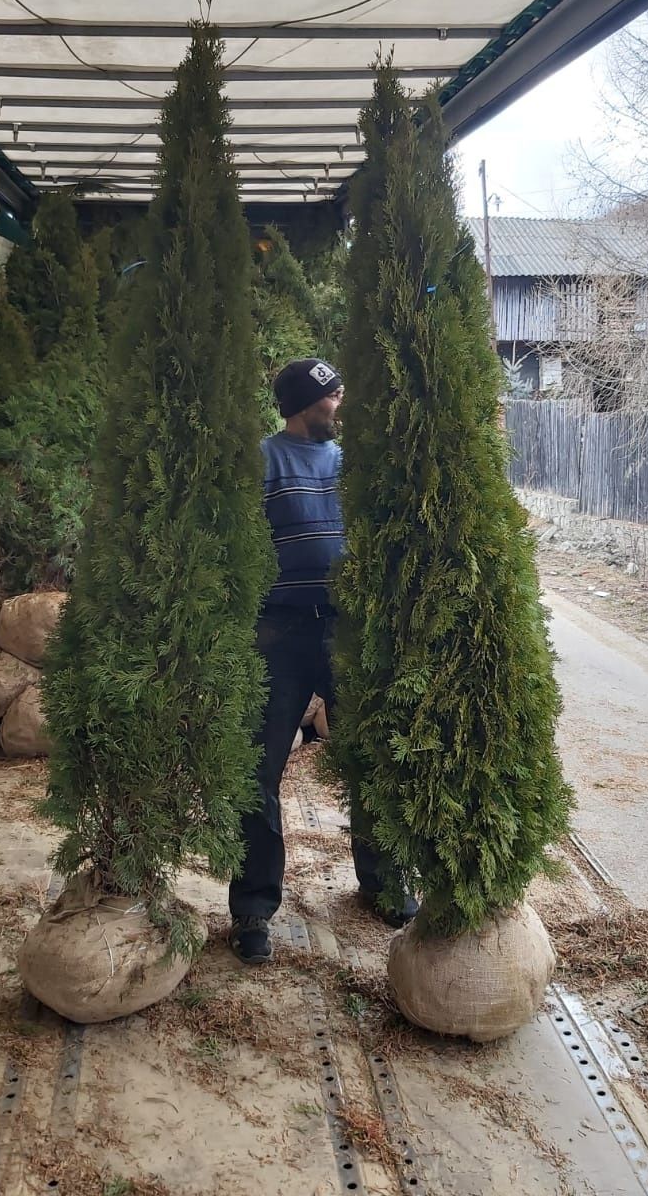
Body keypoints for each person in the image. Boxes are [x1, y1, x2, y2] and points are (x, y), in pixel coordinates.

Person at [229, 357, 418, 965]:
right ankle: (253, 908)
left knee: (370, 757)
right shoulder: (264, 461)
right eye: (333, 395)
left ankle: (383, 882)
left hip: (345, 630)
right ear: (302, 404)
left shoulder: (349, 466)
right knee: (258, 770)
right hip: (278, 633)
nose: (341, 403)